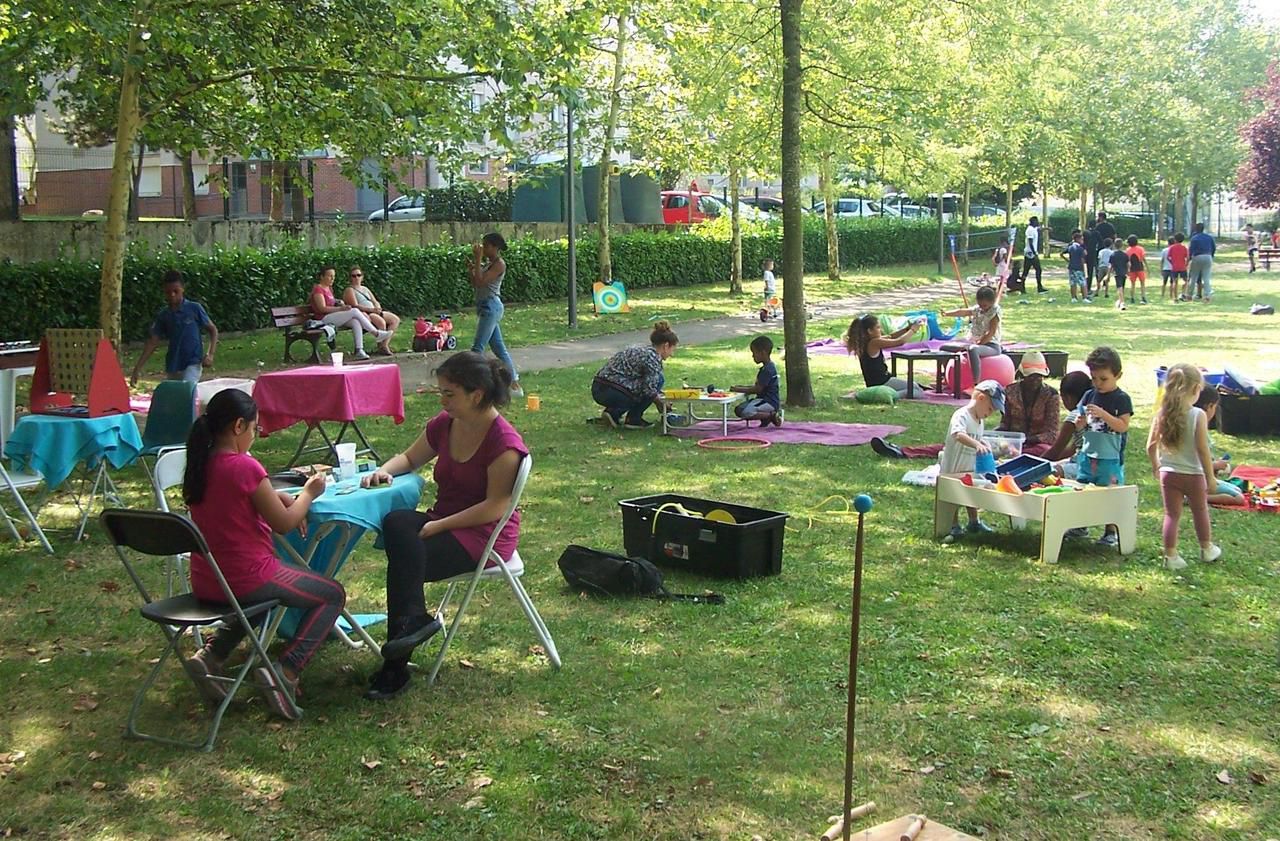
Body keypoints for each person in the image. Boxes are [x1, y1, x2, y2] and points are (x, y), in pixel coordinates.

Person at [361, 352, 528, 700]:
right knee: (396, 524)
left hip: (484, 537)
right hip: (446, 521)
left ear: (476, 394)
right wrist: (385, 471)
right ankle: (413, 622)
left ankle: (395, 666)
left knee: (407, 556)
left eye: (449, 393)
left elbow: (496, 506)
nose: (443, 400)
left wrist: (439, 527)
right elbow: (410, 458)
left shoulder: (504, 443)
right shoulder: (445, 423)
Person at [181, 390, 345, 720]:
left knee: (257, 605)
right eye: (255, 429)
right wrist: (309, 493)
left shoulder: (201, 464)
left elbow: (245, 499)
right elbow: (284, 524)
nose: (255, 436)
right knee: (331, 594)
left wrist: (280, 498)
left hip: (209, 580)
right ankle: (287, 668)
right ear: (239, 426)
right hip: (247, 576)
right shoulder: (243, 466)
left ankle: (212, 655)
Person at [869, 352, 1061, 461]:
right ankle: (904, 451)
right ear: (1022, 375)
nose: (1035, 380)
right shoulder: (1010, 391)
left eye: (1039, 376)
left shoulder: (1051, 395)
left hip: (1034, 445)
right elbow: (1006, 423)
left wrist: (1024, 439)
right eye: (1031, 376)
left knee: (1041, 452)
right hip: (1008, 441)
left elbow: (1051, 435)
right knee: (963, 444)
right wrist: (994, 437)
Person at [1145, 363, 1221, 570]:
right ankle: (1206, 548)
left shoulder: (1162, 413)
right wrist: (1210, 477)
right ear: (1197, 388)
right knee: (1200, 511)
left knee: (1171, 515)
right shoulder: (1198, 415)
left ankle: (1171, 555)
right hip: (1194, 475)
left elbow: (1151, 446)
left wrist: (1156, 466)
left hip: (1168, 474)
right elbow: (1203, 450)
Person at [1068, 346, 1132, 547]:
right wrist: (1080, 423)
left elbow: (1122, 426)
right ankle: (1081, 524)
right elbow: (1083, 422)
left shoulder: (1121, 399)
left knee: (1110, 492)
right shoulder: (1089, 395)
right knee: (1083, 488)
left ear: (1117, 375)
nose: (1098, 383)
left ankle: (1110, 531)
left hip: (1109, 456)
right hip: (1088, 453)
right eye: (1094, 378)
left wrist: (1104, 414)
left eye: (1103, 379)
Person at [940, 380, 1004, 543]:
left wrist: (983, 442)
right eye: (990, 409)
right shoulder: (962, 415)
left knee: (971, 494)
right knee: (952, 496)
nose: (990, 413)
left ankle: (974, 522)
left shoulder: (980, 421)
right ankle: (953, 525)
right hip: (953, 466)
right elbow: (958, 434)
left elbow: (978, 436)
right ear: (981, 398)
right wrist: (975, 444)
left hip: (969, 466)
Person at [130, 269, 219, 386]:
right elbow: (153, 341)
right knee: (175, 396)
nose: (172, 295)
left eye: (176, 291)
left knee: (187, 391)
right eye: (168, 292)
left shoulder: (194, 308)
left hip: (192, 361)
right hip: (173, 363)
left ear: (183, 289)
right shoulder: (164, 315)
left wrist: (210, 354)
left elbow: (213, 330)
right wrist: (137, 368)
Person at [592, 321, 678, 429]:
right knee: (659, 380)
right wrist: (660, 403)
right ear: (666, 346)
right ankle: (634, 419)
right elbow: (649, 389)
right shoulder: (652, 357)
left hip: (599, 387)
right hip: (614, 390)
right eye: (672, 350)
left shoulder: (641, 350)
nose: (672, 354)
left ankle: (613, 413)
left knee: (652, 383)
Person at [469, 232, 522, 396]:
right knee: (499, 348)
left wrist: (477, 260)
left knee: (477, 348)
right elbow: (475, 282)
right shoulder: (489, 264)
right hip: (485, 306)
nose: (483, 249)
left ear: (495, 247)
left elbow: (481, 281)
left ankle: (471, 382)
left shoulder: (499, 264)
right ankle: (513, 384)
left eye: (486, 246)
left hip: (491, 307)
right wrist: (472, 269)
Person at [310, 266, 392, 361]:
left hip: (332, 317)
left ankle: (359, 350)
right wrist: (341, 309)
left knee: (355, 321)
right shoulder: (318, 289)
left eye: (333, 276)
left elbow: (330, 302)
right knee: (354, 311)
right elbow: (322, 308)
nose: (332, 279)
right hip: (323, 319)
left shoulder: (329, 289)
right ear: (322, 277)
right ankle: (376, 333)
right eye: (329, 276)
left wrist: (338, 302)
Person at [843, 313, 928, 399]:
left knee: (916, 386)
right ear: (870, 331)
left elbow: (891, 337)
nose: (881, 330)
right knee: (917, 392)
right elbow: (899, 342)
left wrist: (906, 329)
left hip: (878, 382)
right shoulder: (874, 343)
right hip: (882, 382)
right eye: (878, 327)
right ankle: (891, 395)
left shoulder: (867, 342)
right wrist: (913, 330)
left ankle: (885, 394)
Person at [1194, 385, 1247, 507]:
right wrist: (1215, 465)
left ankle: (1196, 495)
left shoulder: (1199, 426)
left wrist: (1215, 464)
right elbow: (1195, 462)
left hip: (1205, 476)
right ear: (1209, 406)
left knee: (1238, 490)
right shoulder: (1197, 429)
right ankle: (1196, 498)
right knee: (1239, 498)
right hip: (1199, 478)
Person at [940, 285, 1001, 383]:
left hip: (991, 346)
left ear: (991, 302)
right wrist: (947, 313)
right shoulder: (977, 309)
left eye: (984, 306)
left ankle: (976, 383)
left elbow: (991, 333)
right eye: (980, 305)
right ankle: (947, 378)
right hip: (973, 343)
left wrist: (978, 344)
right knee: (944, 348)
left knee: (973, 350)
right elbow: (963, 312)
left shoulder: (994, 312)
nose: (982, 308)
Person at [342, 265, 398, 355]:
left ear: (362, 277)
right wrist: (372, 310)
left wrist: (377, 307)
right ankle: (382, 347)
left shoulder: (365, 289)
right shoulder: (350, 290)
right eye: (354, 276)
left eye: (358, 275)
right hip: (366, 313)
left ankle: (384, 344)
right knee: (381, 322)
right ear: (350, 278)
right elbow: (355, 305)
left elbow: (374, 300)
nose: (356, 278)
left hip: (374, 310)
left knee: (395, 319)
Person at [731, 336, 782, 427]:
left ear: (762, 353)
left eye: (754, 353)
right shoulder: (767, 367)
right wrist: (742, 387)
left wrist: (739, 389)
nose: (753, 356)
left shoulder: (767, 370)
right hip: (763, 400)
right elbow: (759, 386)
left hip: (768, 401)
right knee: (739, 408)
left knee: (742, 411)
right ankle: (766, 418)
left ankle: (770, 415)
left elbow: (757, 389)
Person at [1185, 222, 1215, 302]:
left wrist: (1188, 260)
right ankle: (1207, 295)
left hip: (1197, 256)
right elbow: (1213, 248)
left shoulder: (1194, 238)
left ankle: (1189, 295)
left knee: (1193, 277)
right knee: (1206, 277)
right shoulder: (1209, 237)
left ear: (1196, 229)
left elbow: (1190, 250)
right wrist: (1211, 255)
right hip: (1207, 256)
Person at [1062, 231, 1090, 303]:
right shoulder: (1080, 249)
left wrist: (1068, 261)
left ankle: (1074, 298)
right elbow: (1082, 259)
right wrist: (1084, 270)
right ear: (1078, 239)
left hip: (1071, 267)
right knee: (1083, 283)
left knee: (1073, 283)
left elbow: (1062, 253)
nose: (1082, 241)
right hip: (1079, 267)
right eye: (1082, 239)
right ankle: (1084, 298)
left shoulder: (1070, 247)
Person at [1020, 217, 1044, 293]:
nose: (1038, 222)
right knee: (1036, 269)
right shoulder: (1030, 230)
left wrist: (1046, 229)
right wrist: (1034, 252)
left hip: (1030, 252)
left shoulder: (1033, 228)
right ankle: (1039, 287)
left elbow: (1039, 228)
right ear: (1033, 222)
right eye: (1036, 221)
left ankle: (1023, 287)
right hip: (1030, 253)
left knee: (1028, 270)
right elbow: (1030, 242)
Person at [1125, 235, 1148, 305]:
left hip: (1132, 268)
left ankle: (1132, 298)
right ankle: (1143, 297)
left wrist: (1127, 270)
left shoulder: (1128, 250)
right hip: (1140, 267)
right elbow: (1143, 258)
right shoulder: (1140, 249)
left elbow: (1127, 261)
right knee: (1142, 283)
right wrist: (1147, 267)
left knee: (1132, 284)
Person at [1167, 232, 1189, 301]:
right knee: (1186, 281)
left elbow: (1168, 257)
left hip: (1175, 267)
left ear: (1175, 239)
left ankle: (1175, 297)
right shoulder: (1184, 247)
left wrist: (1172, 263)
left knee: (1175, 282)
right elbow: (1188, 257)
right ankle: (1183, 293)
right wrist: (1186, 264)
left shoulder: (1172, 247)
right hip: (1182, 266)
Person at [1108, 239, 1129, 311]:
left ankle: (1122, 303)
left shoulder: (1113, 255)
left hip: (1117, 273)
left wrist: (1108, 275)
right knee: (1122, 287)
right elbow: (1128, 264)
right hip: (1124, 273)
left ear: (1114, 245)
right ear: (1122, 245)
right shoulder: (1125, 255)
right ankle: (1120, 301)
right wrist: (1128, 271)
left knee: (1119, 287)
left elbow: (1110, 266)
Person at [1082, 221, 1100, 296]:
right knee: (1093, 271)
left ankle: (1085, 287)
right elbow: (1100, 242)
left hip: (1085, 253)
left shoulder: (1085, 232)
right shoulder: (1096, 233)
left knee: (1086, 271)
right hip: (1093, 253)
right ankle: (1091, 287)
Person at [1159, 237, 1175, 301]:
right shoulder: (1174, 250)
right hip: (1172, 268)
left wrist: (1161, 269)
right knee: (1172, 282)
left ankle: (1162, 294)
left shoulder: (1164, 250)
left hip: (1165, 268)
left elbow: (1162, 260)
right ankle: (1171, 295)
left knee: (1164, 282)